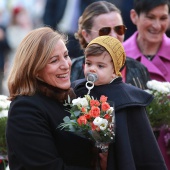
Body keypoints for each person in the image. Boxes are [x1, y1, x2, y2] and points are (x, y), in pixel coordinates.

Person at [6, 26, 106, 170]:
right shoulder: (25, 109)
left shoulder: (70, 98)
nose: (66, 65)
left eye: (66, 56)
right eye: (54, 61)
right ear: (35, 69)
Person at [72, 35, 167, 170]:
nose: (92, 69)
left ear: (115, 71)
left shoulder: (127, 99)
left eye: (100, 65)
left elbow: (139, 146)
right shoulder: (79, 90)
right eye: (88, 63)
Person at [71, 1, 150, 90]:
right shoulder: (70, 71)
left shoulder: (139, 70)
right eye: (105, 31)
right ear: (86, 35)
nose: (113, 36)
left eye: (119, 29)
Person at [123, 0, 170, 82]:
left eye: (163, 18)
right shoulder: (119, 55)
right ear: (134, 16)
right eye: (150, 17)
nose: (157, 26)